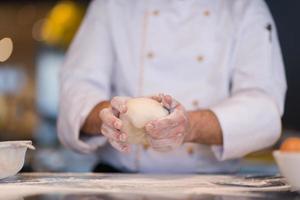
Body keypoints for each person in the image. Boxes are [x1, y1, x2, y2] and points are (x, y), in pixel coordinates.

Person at [58, 0, 287, 173]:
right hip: (117, 182)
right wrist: (110, 118)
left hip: (211, 186)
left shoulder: (244, 7)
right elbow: (77, 90)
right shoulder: (111, 5)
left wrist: (190, 126)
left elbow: (264, 109)